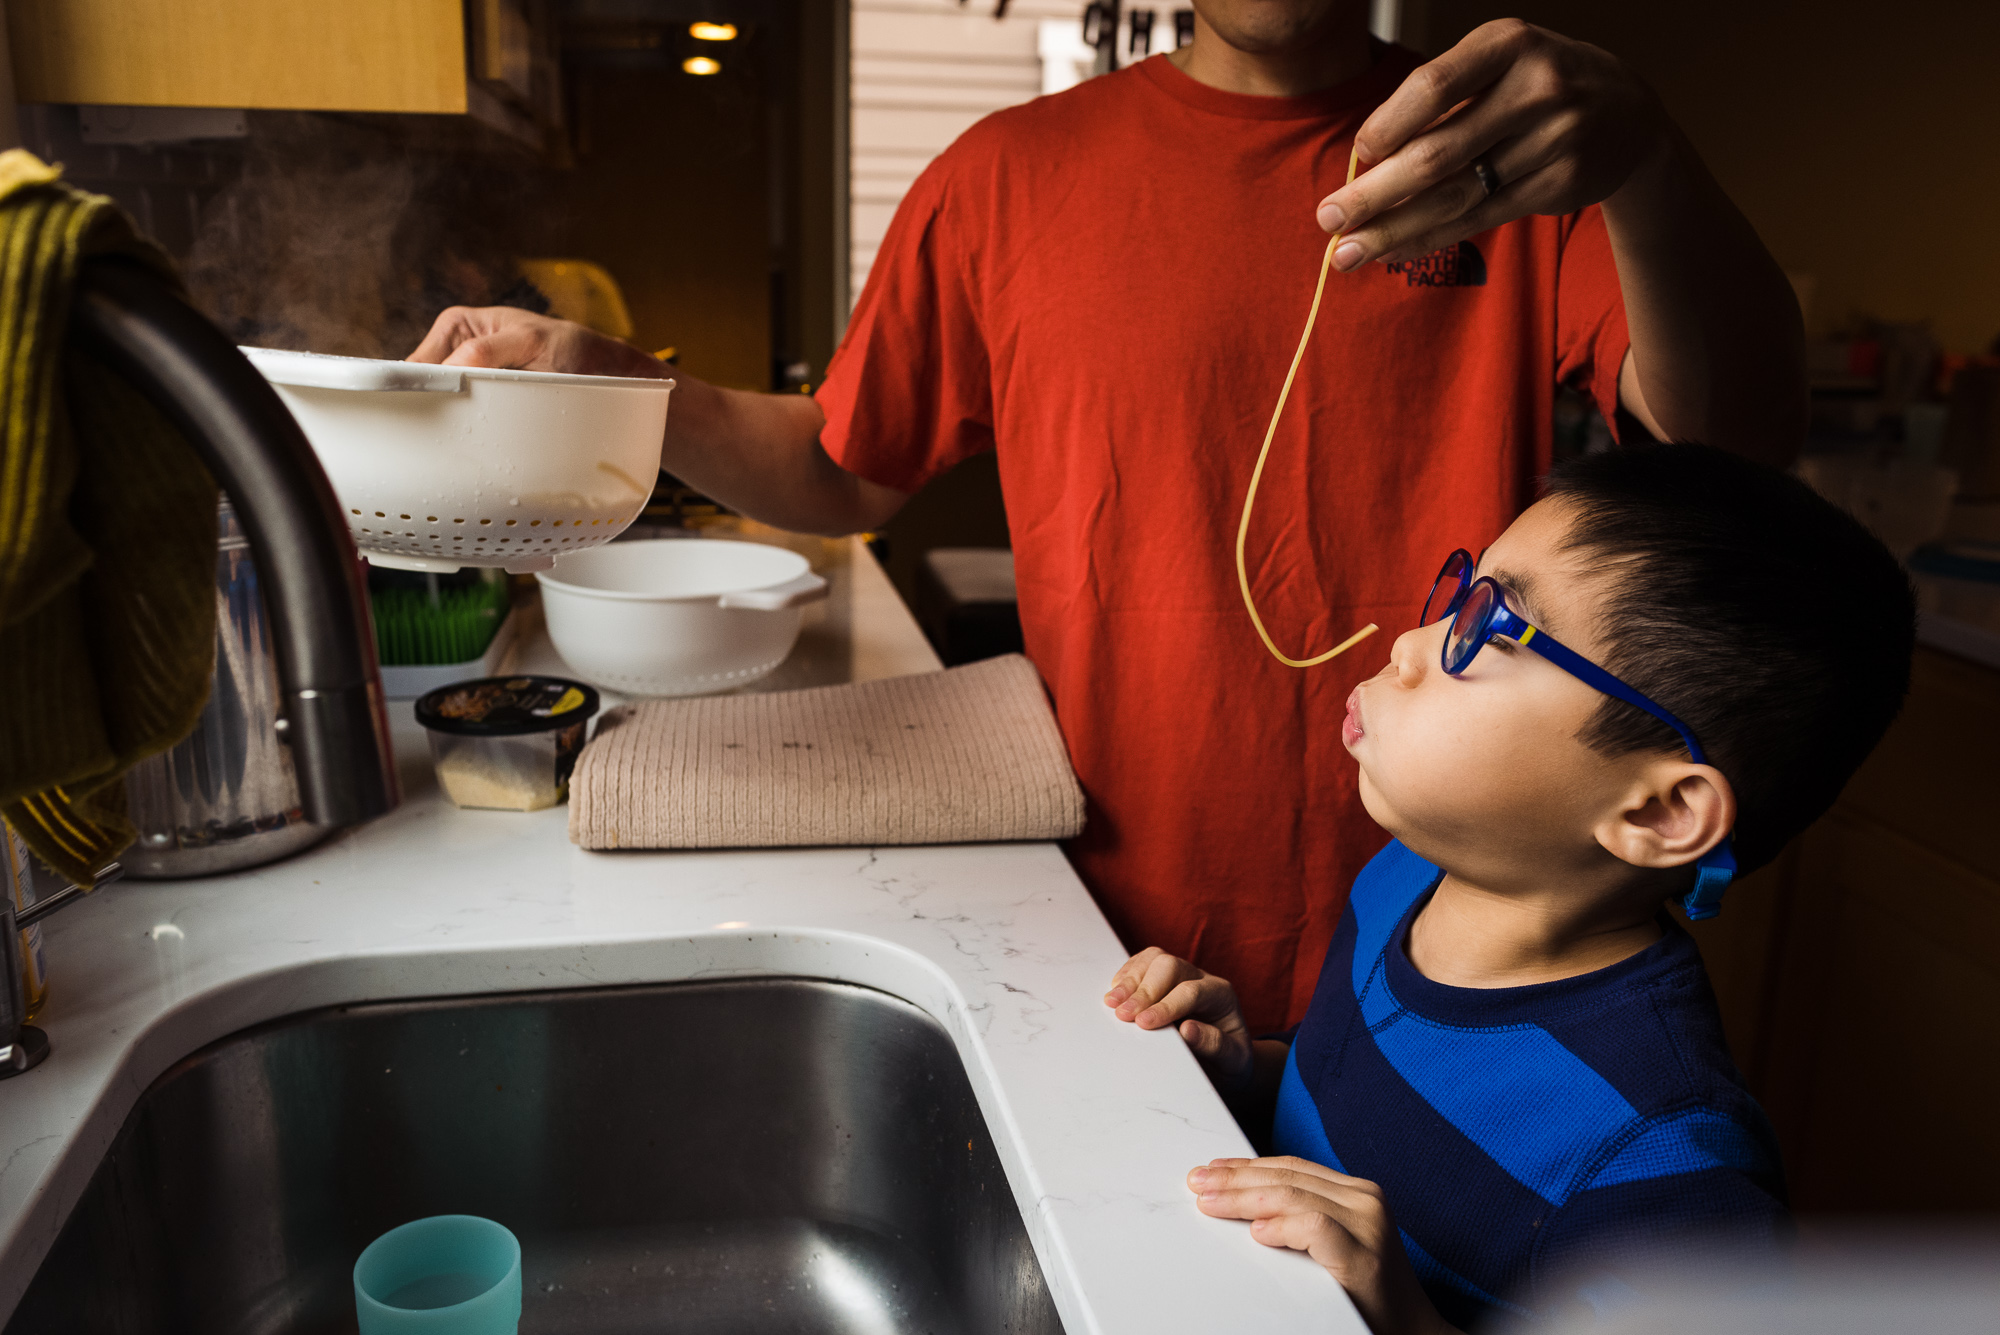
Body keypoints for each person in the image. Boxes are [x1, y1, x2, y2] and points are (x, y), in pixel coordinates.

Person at [409, 5, 1806, 1030]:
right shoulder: (1004, 176)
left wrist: (1648, 162)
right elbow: (842, 466)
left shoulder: (1508, 164)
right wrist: (613, 387)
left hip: (1455, 926)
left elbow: (1733, 445)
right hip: (1098, 928)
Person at [1102, 443, 1916, 1331]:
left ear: (1658, 811)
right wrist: (1245, 1068)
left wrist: (1402, 1314)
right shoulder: (1408, 877)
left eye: (1488, 629)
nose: (1408, 648)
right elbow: (1338, 1093)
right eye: (1458, 596)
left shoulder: (1666, 1164)